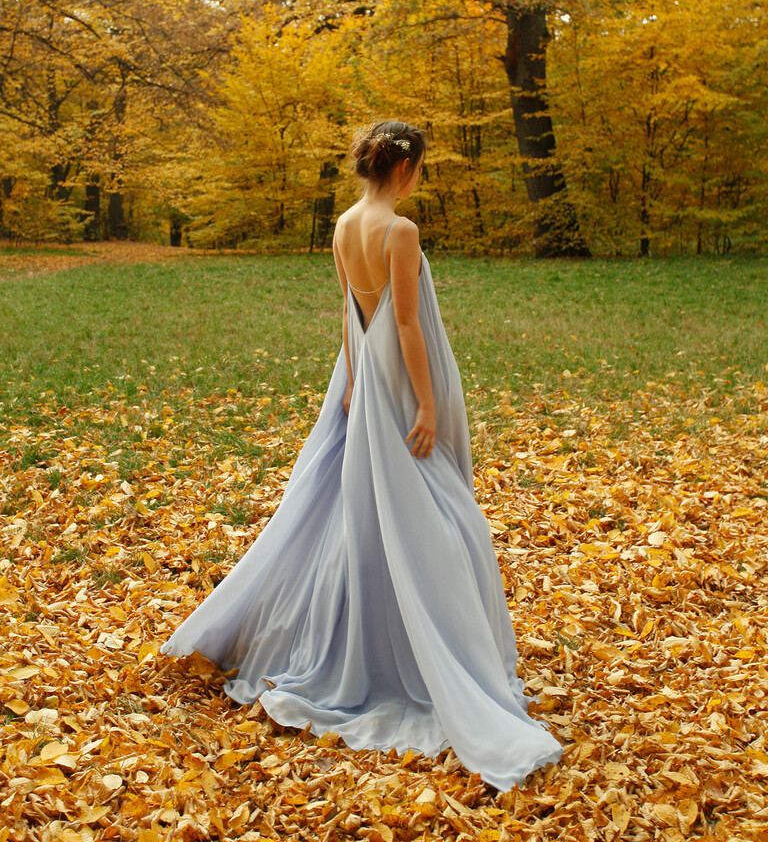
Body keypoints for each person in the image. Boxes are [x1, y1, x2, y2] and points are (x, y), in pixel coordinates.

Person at [160, 119, 562, 791]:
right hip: (399, 379)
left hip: (360, 376)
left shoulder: (345, 223)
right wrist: (426, 407)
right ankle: (422, 651)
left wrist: (351, 383)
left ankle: (383, 630)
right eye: (420, 168)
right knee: (435, 514)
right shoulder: (397, 232)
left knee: (369, 506)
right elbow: (403, 322)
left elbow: (348, 314)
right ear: (405, 170)